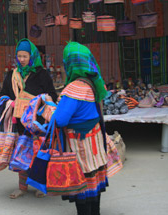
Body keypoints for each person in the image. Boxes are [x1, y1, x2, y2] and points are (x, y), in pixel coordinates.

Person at [52, 42, 108, 215]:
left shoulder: (75, 87)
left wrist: (49, 109)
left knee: (83, 182)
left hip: (80, 144)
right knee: (93, 180)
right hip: (95, 140)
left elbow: (60, 120)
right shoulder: (94, 82)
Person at [0, 38, 57, 199]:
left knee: (39, 154)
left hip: (37, 123)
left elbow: (52, 95)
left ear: (32, 56)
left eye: (25, 56)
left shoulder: (42, 74)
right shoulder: (12, 75)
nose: (22, 60)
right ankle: (22, 187)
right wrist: (9, 101)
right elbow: (3, 95)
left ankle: (40, 186)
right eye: (19, 56)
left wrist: (37, 100)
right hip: (19, 123)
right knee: (21, 154)